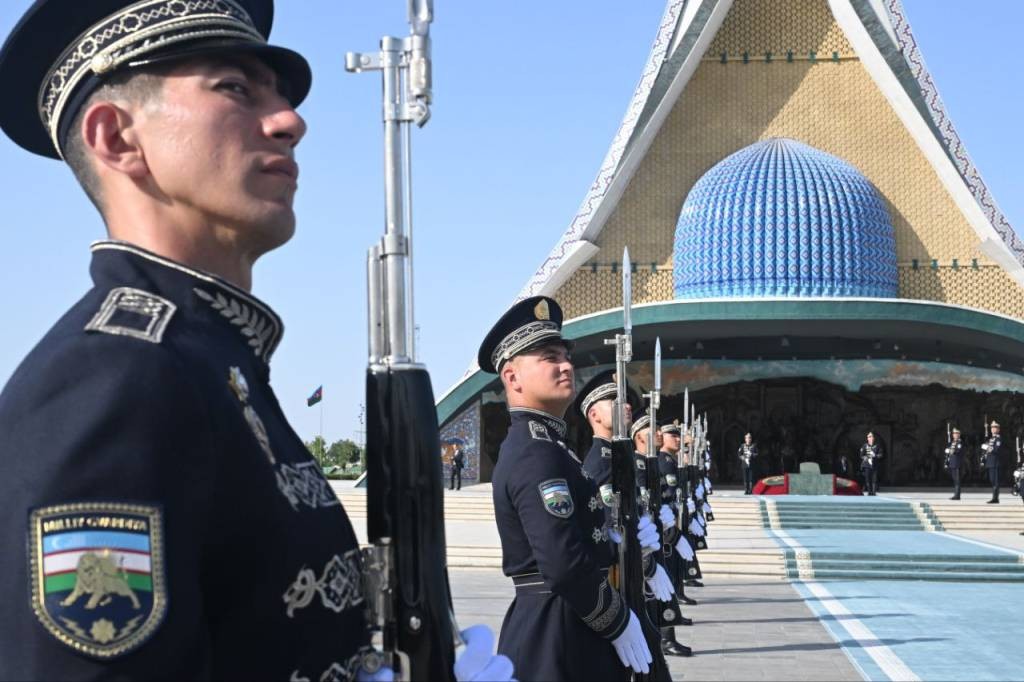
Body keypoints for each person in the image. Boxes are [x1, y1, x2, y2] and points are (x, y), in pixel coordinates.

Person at [0, 2, 510, 680]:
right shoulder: (114, 382)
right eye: (235, 88)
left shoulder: (213, 362)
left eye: (279, 96)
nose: (291, 121)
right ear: (116, 138)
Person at [478, 297, 657, 681]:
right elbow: (562, 563)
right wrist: (617, 620)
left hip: (570, 620)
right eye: (549, 358)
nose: (566, 366)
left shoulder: (551, 447)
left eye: (566, 356)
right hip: (556, 631)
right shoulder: (534, 452)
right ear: (512, 377)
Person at [981, 421, 1003, 503]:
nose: (993, 429)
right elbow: (986, 451)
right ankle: (994, 497)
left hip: (995, 463)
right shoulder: (990, 439)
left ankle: (995, 498)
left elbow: (996, 450)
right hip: (990, 463)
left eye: (995, 427)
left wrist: (987, 448)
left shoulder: (998, 439)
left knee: (996, 481)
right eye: (992, 427)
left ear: (998, 429)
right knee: (992, 480)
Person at [859, 432, 884, 496]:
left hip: (875, 465)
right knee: (868, 479)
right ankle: (869, 492)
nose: (871, 438)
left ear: (874, 438)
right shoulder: (865, 446)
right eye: (869, 437)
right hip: (867, 465)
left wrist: (875, 455)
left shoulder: (877, 446)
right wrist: (865, 457)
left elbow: (881, 455)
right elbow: (861, 455)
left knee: (874, 479)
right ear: (867, 438)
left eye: (872, 436)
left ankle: (874, 492)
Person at [945, 427, 965, 500]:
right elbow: (949, 451)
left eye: (956, 433)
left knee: (957, 480)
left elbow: (958, 451)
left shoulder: (960, 443)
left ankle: (957, 495)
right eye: (954, 433)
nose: (955, 435)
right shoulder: (952, 443)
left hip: (957, 464)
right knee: (954, 480)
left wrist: (950, 451)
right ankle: (955, 494)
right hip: (952, 463)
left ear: (959, 434)